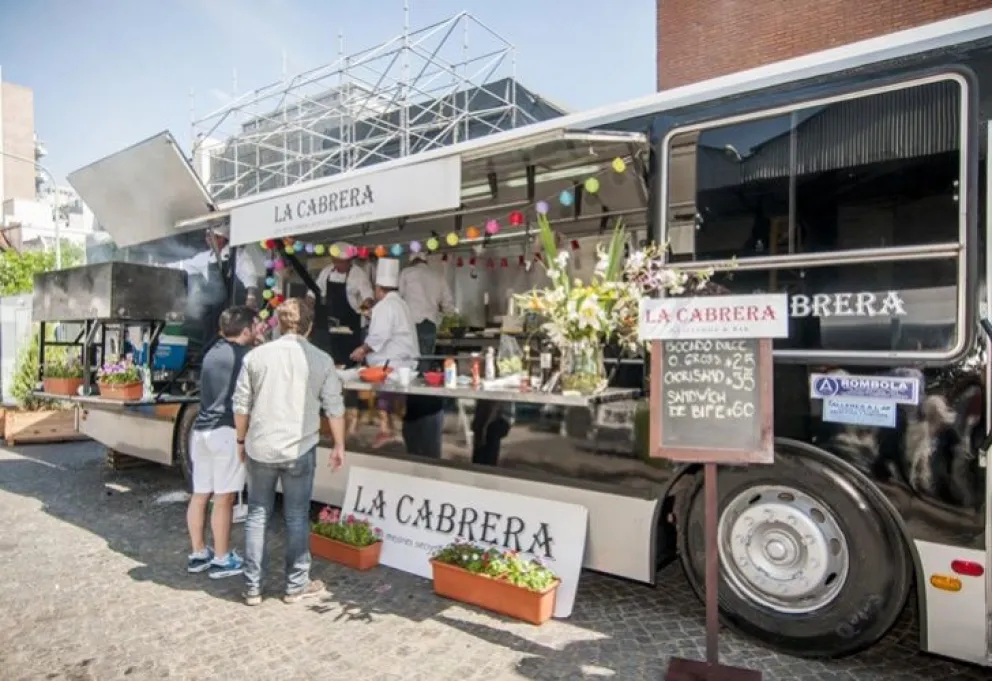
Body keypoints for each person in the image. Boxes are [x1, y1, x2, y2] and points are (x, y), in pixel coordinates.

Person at [232, 298, 347, 606]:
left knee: (257, 514)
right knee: (296, 516)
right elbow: (334, 407)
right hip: (300, 448)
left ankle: (252, 587)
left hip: (261, 446)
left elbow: (241, 405)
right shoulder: (321, 359)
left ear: (279, 324)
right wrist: (339, 444)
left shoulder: (256, 357)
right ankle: (295, 586)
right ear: (309, 327)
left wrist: (240, 441)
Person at [185, 306, 256, 578]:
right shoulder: (245, 357)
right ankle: (222, 558)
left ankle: (198, 553)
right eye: (255, 327)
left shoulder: (211, 353)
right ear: (246, 330)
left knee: (200, 495)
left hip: (201, 432)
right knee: (224, 499)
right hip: (225, 433)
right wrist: (241, 439)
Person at [350, 257, 419, 448]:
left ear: (379, 288)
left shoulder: (384, 306)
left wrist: (361, 350)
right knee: (396, 399)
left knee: (385, 396)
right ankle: (393, 431)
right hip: (404, 362)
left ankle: (386, 432)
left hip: (390, 362)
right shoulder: (401, 304)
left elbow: (379, 335)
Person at [307, 243, 375, 437]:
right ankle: (326, 415)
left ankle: (351, 417)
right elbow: (313, 293)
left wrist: (363, 308)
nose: (337, 265)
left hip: (351, 329)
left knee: (350, 373)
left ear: (349, 261)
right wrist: (310, 307)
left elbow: (368, 298)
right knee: (328, 370)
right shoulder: (326, 272)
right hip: (330, 329)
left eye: (341, 262)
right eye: (335, 261)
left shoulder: (358, 275)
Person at [398, 251, 455, 367]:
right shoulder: (438, 276)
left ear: (412, 262)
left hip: (410, 324)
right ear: (425, 261)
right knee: (426, 360)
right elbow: (448, 304)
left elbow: (398, 298)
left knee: (409, 361)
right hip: (430, 324)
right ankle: (423, 380)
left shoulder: (406, 272)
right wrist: (447, 315)